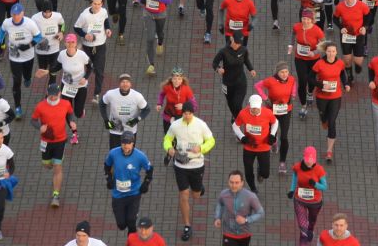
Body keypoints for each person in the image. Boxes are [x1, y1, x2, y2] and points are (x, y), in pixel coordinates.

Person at [163, 101, 216, 241]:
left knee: (196, 195)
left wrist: (201, 149)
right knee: (183, 195)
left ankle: (199, 188)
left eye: (189, 113)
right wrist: (168, 148)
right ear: (182, 113)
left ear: (193, 113)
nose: (187, 116)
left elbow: (211, 141)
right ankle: (187, 226)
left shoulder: (201, 125)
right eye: (185, 113)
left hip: (197, 164)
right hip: (180, 166)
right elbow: (167, 139)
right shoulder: (175, 125)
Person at [31, 80, 76, 207]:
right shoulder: (40, 106)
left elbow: (70, 114)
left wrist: (71, 122)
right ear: (47, 93)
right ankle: (50, 162)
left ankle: (55, 195)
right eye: (51, 94)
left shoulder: (66, 104)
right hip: (46, 141)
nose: (53, 97)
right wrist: (39, 127)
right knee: (46, 165)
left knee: (58, 167)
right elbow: (33, 120)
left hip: (60, 141)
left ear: (60, 94)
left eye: (55, 94)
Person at [105, 131, 155, 234]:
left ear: (133, 143)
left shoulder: (140, 156)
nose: (126, 146)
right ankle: (125, 223)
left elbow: (149, 170)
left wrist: (146, 183)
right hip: (118, 194)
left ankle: (131, 238)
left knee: (131, 222)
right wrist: (109, 178)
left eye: (128, 143)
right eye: (123, 143)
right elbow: (107, 166)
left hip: (134, 193)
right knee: (121, 225)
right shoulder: (113, 153)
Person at [231, 93, 277, 191]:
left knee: (265, 174)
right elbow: (235, 126)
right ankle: (253, 188)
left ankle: (260, 171)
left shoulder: (267, 113)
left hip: (264, 147)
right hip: (249, 147)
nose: (255, 110)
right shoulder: (243, 113)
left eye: (256, 108)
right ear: (249, 106)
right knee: (248, 171)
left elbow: (275, 122)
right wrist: (242, 137)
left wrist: (272, 134)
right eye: (253, 108)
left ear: (260, 105)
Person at [213, 169, 265, 245]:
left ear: (242, 183)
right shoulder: (223, 194)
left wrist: (246, 220)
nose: (234, 185)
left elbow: (261, 213)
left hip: (244, 234)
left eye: (237, 183)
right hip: (228, 233)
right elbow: (220, 204)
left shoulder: (250, 196)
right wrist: (217, 217)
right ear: (228, 182)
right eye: (231, 182)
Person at [289, 148, 328, 245]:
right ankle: (304, 236)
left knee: (311, 221)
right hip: (300, 200)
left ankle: (310, 230)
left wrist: (316, 184)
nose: (310, 163)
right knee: (303, 226)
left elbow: (325, 187)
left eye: (312, 160)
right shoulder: (297, 167)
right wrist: (292, 190)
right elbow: (295, 178)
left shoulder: (319, 169)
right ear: (304, 158)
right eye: (308, 160)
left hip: (315, 202)